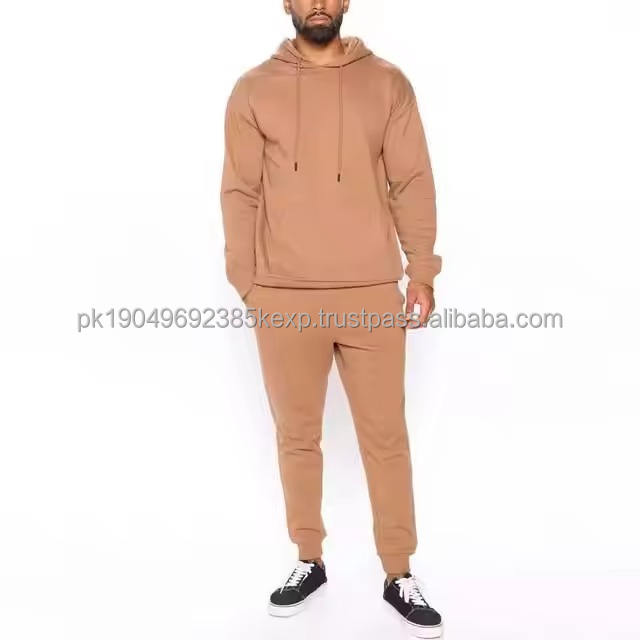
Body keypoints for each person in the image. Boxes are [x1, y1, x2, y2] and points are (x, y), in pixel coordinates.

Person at [220, 1, 442, 636]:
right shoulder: (254, 89)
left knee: (386, 438)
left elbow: (412, 180)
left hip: (371, 292)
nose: (317, 1)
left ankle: (398, 572)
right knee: (296, 436)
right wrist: (249, 283)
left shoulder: (387, 84)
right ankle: (308, 559)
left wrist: (421, 271)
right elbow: (239, 191)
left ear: (345, 2)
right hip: (283, 297)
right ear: (286, 3)